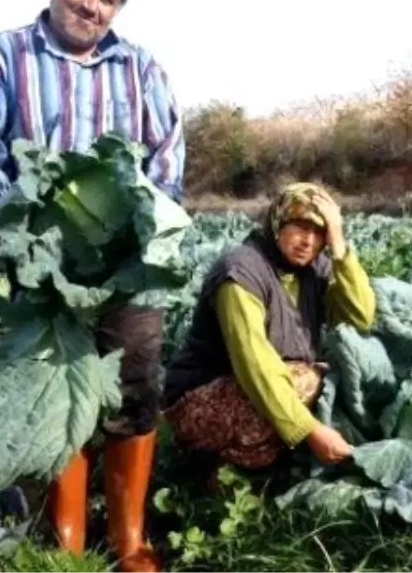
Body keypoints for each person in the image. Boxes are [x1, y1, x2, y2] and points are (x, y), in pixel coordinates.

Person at [0, 0, 182, 572]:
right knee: (53, 395)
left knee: (136, 387)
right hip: (37, 267)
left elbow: (166, 158)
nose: (94, 5)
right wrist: (22, 236)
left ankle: (131, 540)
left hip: (126, 268)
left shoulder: (141, 68)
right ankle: (66, 536)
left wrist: (138, 235)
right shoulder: (0, 57)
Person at [161, 182, 377, 472]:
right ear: (277, 223)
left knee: (320, 375)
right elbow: (254, 363)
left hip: (252, 389)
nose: (308, 241)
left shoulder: (315, 269)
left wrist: (340, 248)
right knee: (305, 380)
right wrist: (309, 432)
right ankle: (211, 469)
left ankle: (259, 466)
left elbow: (360, 317)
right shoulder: (240, 272)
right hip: (194, 401)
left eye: (319, 232)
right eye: (300, 227)